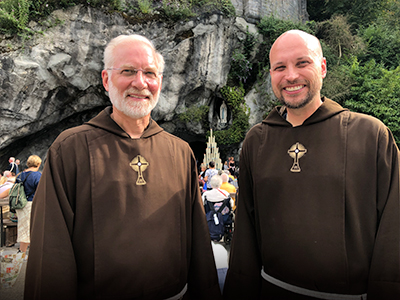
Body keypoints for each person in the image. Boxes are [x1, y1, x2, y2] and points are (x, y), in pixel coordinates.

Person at [25, 34, 221, 300]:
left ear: (160, 82)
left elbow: (198, 243)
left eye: (150, 73)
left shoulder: (180, 152)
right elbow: (51, 251)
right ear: (106, 79)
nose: (140, 83)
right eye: (128, 71)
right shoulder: (70, 149)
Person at [223, 30, 400, 300]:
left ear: (323, 67)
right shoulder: (256, 140)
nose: (291, 76)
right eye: (279, 67)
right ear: (271, 74)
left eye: (302, 63)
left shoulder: (370, 135)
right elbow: (245, 232)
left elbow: (393, 229)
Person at [15, 155, 42, 254]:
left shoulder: (20, 175)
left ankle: (22, 251)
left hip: (21, 204)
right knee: (30, 228)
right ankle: (23, 252)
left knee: (24, 227)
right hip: (31, 204)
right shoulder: (37, 175)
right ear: (38, 164)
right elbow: (41, 190)